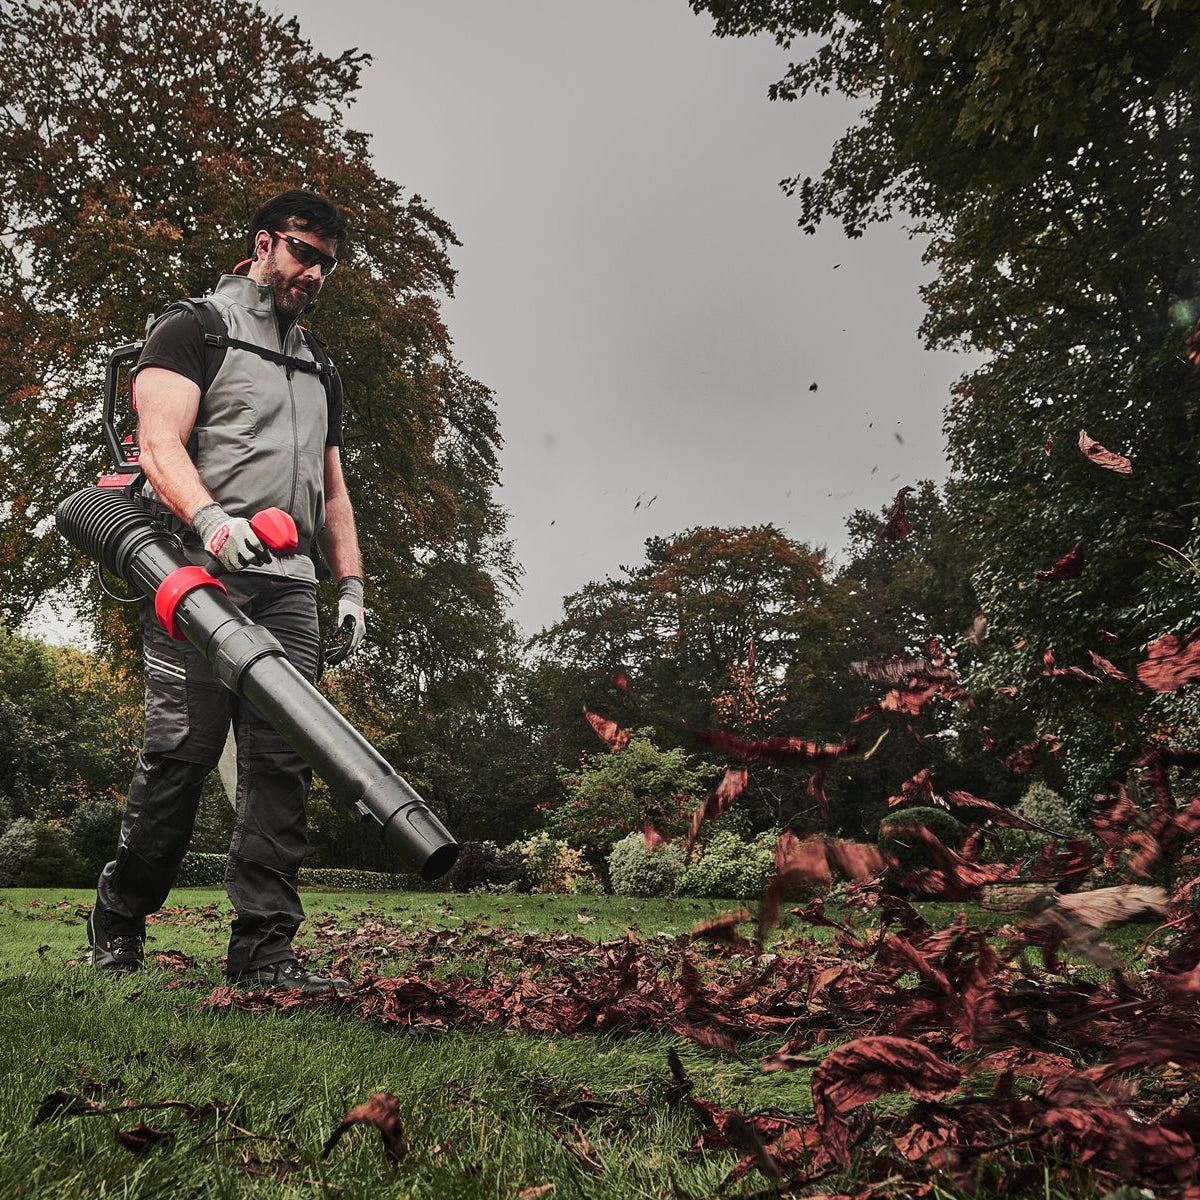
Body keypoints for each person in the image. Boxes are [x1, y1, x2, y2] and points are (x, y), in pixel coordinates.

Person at [87, 190, 366, 995]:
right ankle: (120, 918)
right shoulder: (194, 328)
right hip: (196, 576)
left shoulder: (319, 366)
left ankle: (264, 951)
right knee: (182, 756)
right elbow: (158, 443)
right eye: (304, 253)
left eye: (327, 263)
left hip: (289, 588)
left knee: (283, 764)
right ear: (263, 243)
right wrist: (211, 523)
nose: (314, 273)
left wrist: (350, 584)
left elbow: (333, 489)